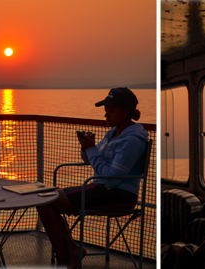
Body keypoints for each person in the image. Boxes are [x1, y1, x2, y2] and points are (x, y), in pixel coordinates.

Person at [37, 87, 149, 269]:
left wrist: (91, 149)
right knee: (45, 198)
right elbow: (93, 162)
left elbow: (112, 178)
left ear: (126, 111)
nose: (106, 115)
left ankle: (65, 257)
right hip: (102, 188)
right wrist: (86, 148)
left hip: (119, 195)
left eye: (111, 111)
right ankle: (71, 251)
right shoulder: (113, 133)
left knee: (46, 200)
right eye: (106, 111)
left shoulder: (132, 140)